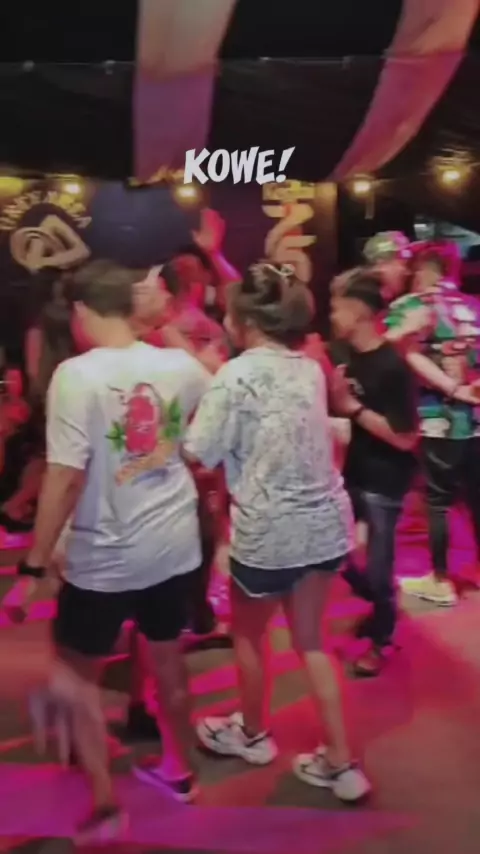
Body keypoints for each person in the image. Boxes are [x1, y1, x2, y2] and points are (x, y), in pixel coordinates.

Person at [17, 260, 211, 840]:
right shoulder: (178, 365)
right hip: (172, 544)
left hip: (104, 555)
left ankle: (105, 803)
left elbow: (64, 476)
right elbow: (211, 399)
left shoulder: (77, 376)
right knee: (168, 663)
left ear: (81, 310)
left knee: (74, 676)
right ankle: (181, 770)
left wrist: (34, 563)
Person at [183, 261, 370, 803]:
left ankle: (252, 734)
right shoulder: (308, 367)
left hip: (268, 532)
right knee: (313, 641)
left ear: (243, 319)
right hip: (323, 524)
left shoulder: (234, 375)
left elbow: (199, 452)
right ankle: (342, 763)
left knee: (249, 634)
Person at [328, 272, 418, 676]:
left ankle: (384, 636)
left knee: (379, 568)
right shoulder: (343, 352)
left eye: (337, 308)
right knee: (338, 556)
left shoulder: (392, 366)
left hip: (386, 479)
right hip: (355, 473)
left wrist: (353, 409)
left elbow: (406, 438)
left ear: (359, 312)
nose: (332, 316)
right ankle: (381, 602)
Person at [386, 247, 480, 605]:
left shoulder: (413, 305)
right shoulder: (471, 305)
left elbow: (408, 354)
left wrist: (452, 389)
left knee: (438, 500)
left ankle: (440, 580)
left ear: (421, 270)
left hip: (441, 416)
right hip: (477, 415)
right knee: (476, 495)